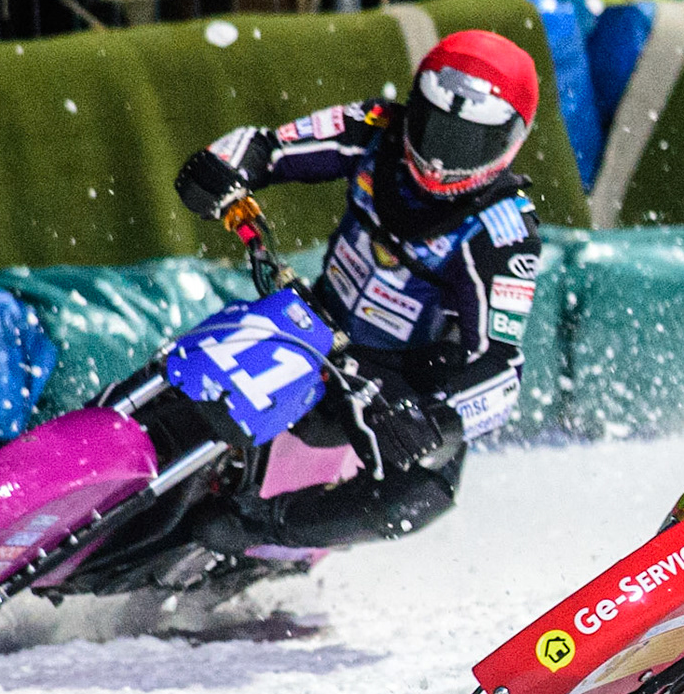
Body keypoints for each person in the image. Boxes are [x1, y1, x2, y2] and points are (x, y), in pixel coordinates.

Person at [172, 30, 545, 552]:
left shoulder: (506, 233)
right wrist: (222, 168)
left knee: (420, 495)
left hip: (400, 381)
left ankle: (258, 528)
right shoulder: (374, 126)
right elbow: (269, 145)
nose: (439, 161)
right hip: (311, 319)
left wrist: (436, 418)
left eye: (467, 143)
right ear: (415, 107)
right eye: (436, 131)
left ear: (511, 140)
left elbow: (501, 367)